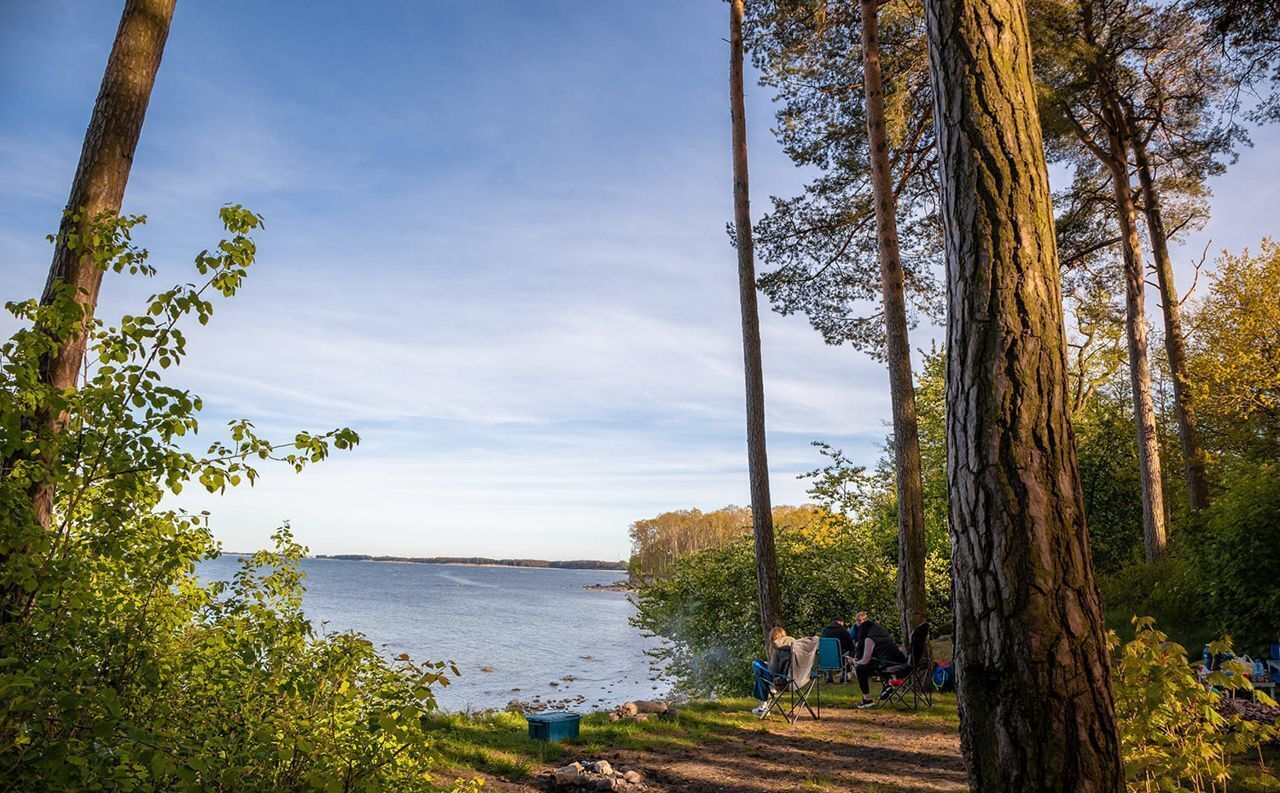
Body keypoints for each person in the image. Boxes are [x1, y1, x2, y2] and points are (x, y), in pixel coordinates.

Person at [851, 612, 906, 708]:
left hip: (890, 666)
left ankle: (867, 699)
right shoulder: (882, 633)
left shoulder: (869, 639)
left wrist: (855, 661)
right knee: (874, 663)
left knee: (860, 669)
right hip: (901, 662)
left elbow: (865, 660)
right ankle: (887, 685)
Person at [751, 627, 795, 715]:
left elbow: (772, 671)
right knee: (761, 676)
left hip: (780, 680)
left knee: (756, 665)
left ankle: (763, 706)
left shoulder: (777, 647)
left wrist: (767, 665)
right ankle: (768, 693)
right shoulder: (794, 646)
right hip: (795, 679)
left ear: (772, 638)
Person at [820, 616, 855, 681]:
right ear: (840, 622)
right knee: (847, 653)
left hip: (826, 657)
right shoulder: (843, 631)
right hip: (840, 657)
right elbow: (851, 645)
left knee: (831, 653)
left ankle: (829, 676)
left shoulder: (824, 630)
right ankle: (844, 676)